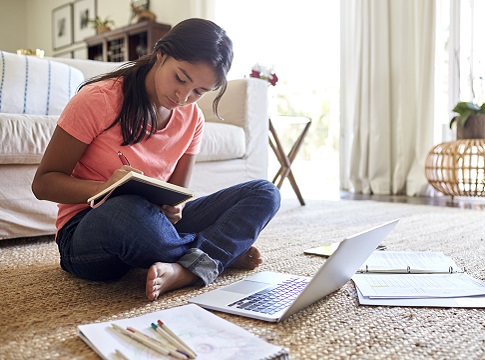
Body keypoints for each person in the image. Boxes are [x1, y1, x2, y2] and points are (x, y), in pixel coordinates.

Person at [32, 18, 281, 301]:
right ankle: (213, 256)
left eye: (198, 92)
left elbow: (175, 201)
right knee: (126, 209)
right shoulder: (98, 99)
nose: (183, 96)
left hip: (155, 226)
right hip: (88, 233)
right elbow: (43, 184)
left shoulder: (192, 119)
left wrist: (173, 210)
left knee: (265, 193)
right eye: (181, 78)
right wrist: (104, 188)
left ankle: (187, 267)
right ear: (160, 54)